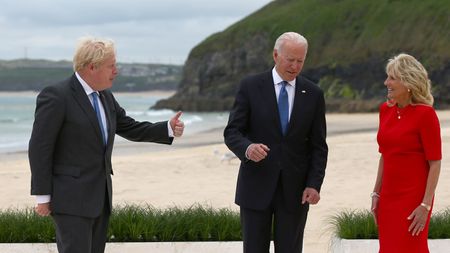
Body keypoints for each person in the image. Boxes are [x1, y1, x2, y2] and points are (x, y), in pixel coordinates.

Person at [28, 37, 185, 253]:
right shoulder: (57, 96)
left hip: (100, 198)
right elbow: (40, 148)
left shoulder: (105, 96)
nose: (116, 71)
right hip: (70, 200)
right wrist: (43, 197)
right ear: (92, 67)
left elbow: (130, 127)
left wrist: (166, 128)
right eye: (111, 66)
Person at [223, 32, 328, 253]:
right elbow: (232, 132)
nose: (295, 66)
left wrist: (314, 183)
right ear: (275, 55)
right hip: (255, 186)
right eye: (290, 59)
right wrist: (248, 148)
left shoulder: (314, 94)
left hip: (295, 191)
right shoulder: (250, 86)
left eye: (300, 60)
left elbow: (318, 146)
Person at [371, 53, 441, 252]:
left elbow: (435, 163)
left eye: (392, 78)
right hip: (387, 197)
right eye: (387, 77)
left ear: (408, 82)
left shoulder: (425, 115)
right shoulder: (385, 110)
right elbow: (385, 155)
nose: (386, 82)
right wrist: (376, 193)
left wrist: (425, 206)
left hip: (414, 200)